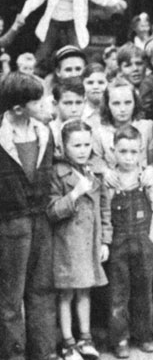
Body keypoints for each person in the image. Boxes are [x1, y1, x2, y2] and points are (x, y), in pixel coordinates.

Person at [0, 73, 57, 360]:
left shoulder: (44, 132)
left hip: (41, 221)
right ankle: (14, 354)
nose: (45, 102)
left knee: (42, 290)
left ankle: (44, 352)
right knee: (10, 297)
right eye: (38, 100)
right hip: (10, 224)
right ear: (18, 108)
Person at [47, 119, 111, 360]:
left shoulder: (95, 171)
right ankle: (67, 342)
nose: (83, 150)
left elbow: (104, 207)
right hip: (66, 245)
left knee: (85, 291)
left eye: (86, 144)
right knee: (66, 293)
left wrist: (105, 240)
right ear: (64, 147)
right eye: (76, 145)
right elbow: (51, 211)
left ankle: (85, 339)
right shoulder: (58, 173)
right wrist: (75, 193)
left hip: (90, 243)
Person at [107, 125, 153, 358]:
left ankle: (144, 335)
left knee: (144, 291)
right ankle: (119, 338)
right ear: (114, 151)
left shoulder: (147, 178)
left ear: (141, 151)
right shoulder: (110, 179)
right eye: (123, 152)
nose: (128, 157)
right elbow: (105, 210)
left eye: (133, 152)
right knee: (118, 292)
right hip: (118, 242)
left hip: (143, 241)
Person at [93, 78, 153, 175]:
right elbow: (94, 160)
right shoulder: (100, 132)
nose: (122, 109)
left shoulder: (147, 127)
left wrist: (151, 170)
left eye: (128, 102)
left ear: (135, 103)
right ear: (107, 105)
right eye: (116, 103)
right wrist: (105, 171)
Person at [50, 78, 86, 159]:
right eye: (68, 103)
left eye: (78, 103)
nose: (74, 109)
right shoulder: (48, 132)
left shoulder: (89, 129)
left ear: (85, 102)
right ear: (55, 104)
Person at [81, 62, 108, 131]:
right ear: (82, 85)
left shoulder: (113, 111)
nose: (95, 87)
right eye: (90, 83)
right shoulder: (79, 111)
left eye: (101, 82)